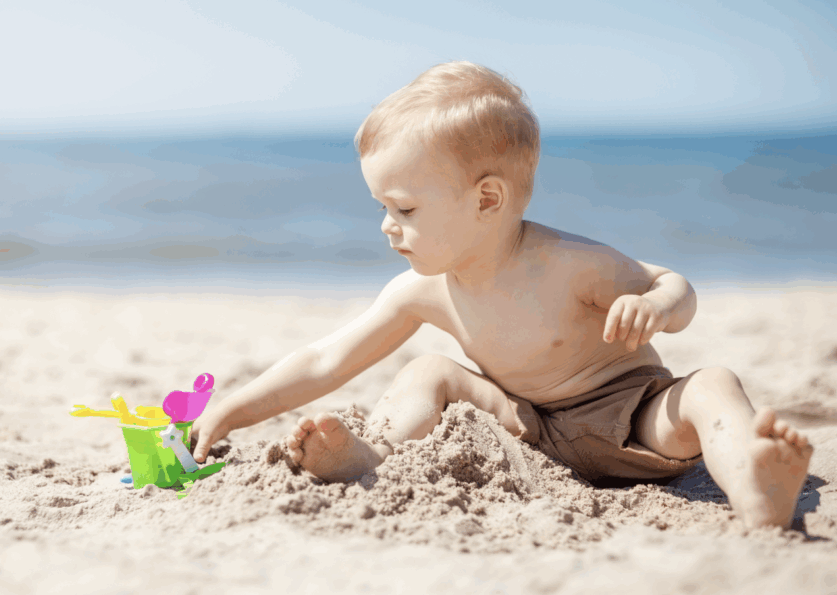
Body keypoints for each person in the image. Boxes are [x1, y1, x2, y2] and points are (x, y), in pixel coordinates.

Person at [191, 61, 812, 529]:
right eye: (381, 206)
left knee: (710, 385)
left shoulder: (570, 263)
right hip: (526, 430)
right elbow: (326, 359)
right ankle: (371, 454)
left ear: (487, 199)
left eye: (404, 207)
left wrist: (657, 308)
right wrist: (232, 410)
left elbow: (672, 285)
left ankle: (754, 486)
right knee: (428, 369)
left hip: (631, 422)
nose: (386, 224)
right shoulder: (420, 292)